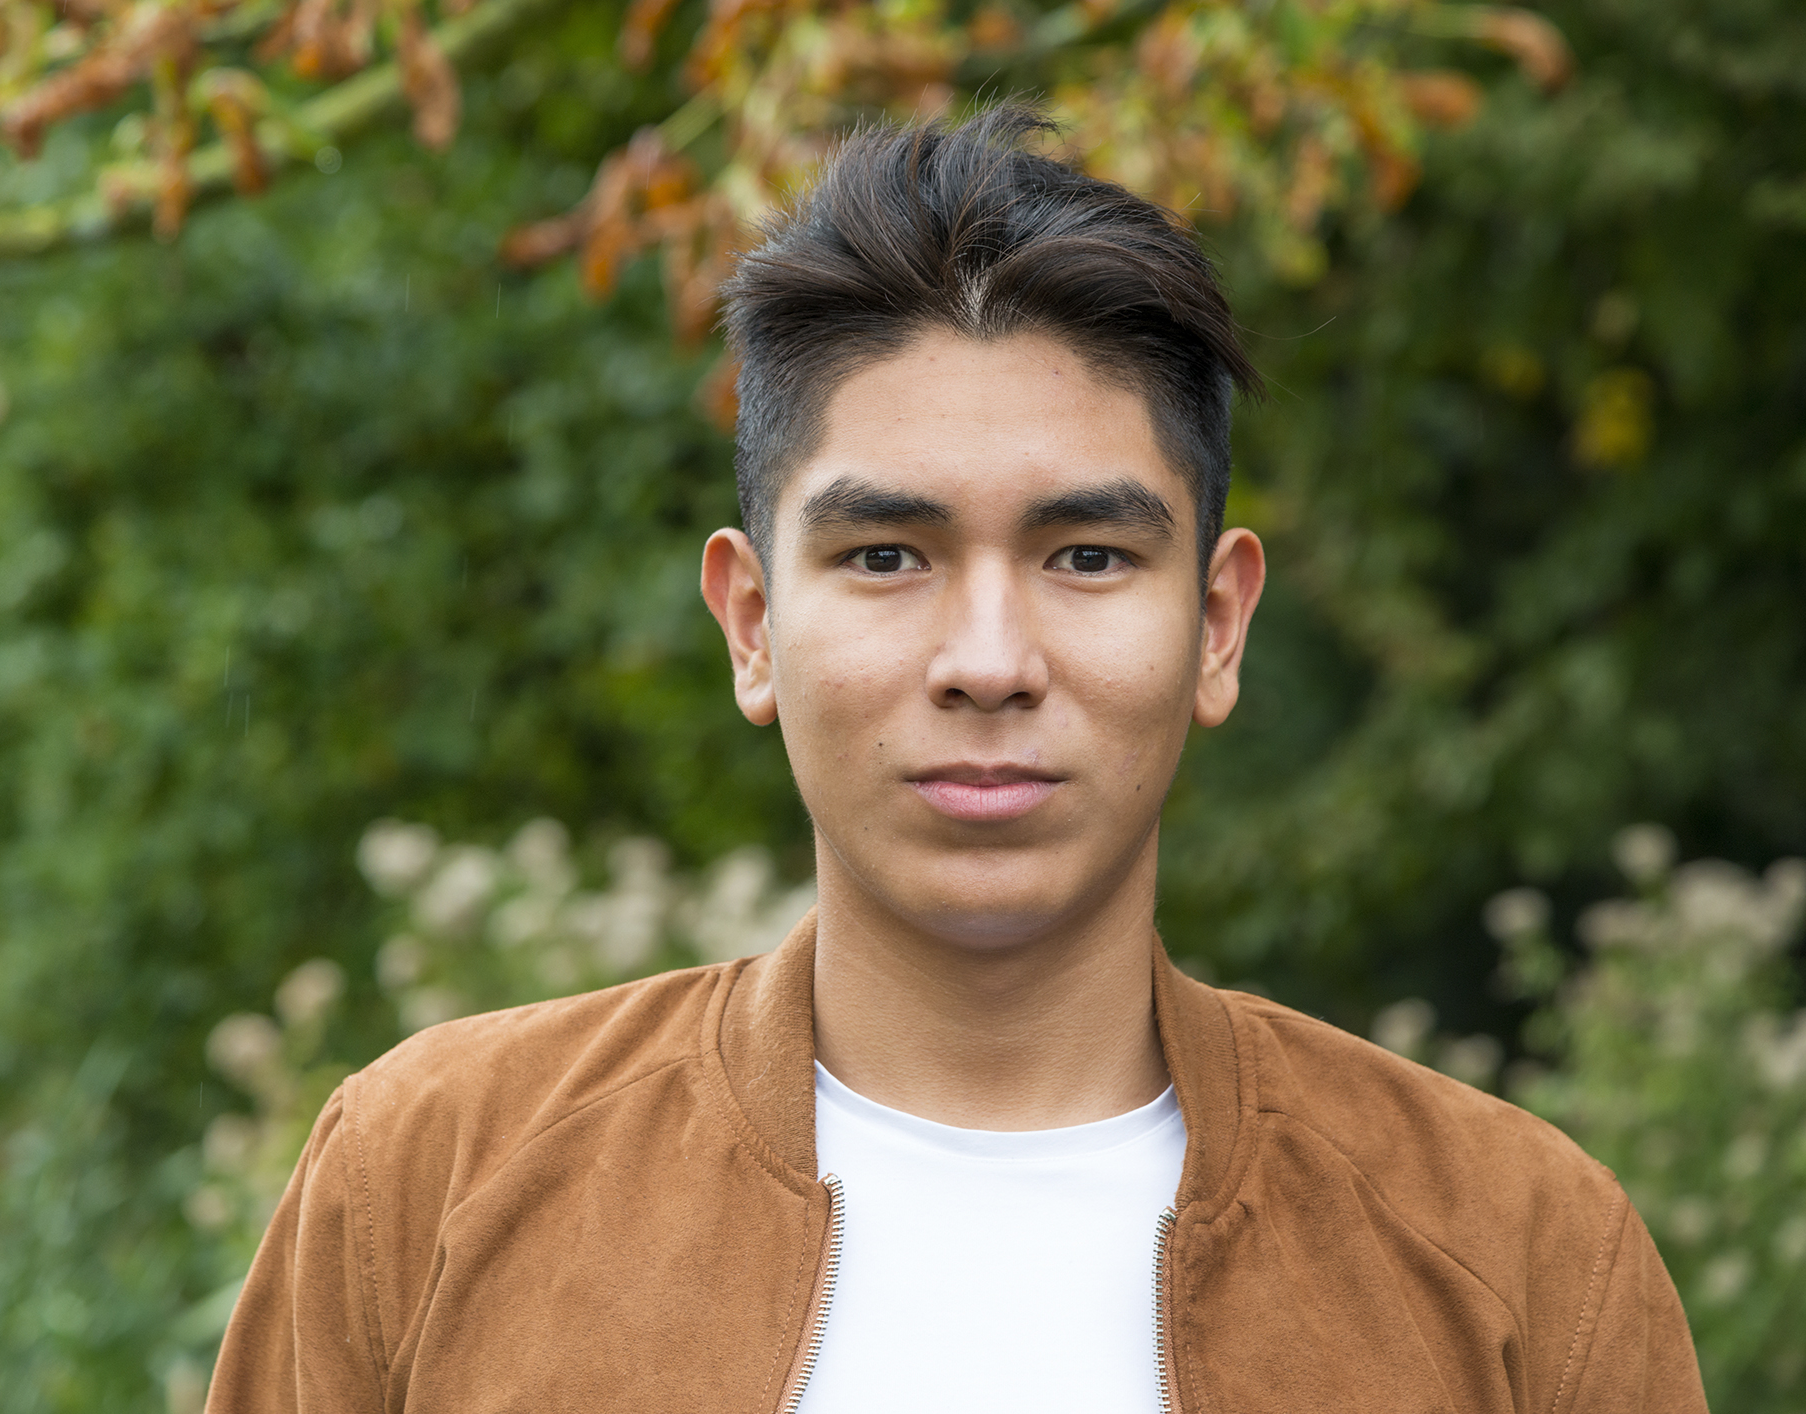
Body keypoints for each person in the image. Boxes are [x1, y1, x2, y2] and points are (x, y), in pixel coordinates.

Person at [205, 105, 1704, 1413]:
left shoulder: (1511, 1250)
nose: (987, 658)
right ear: (748, 621)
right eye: (882, 553)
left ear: (1217, 622)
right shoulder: (432, 1181)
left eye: (1086, 553)